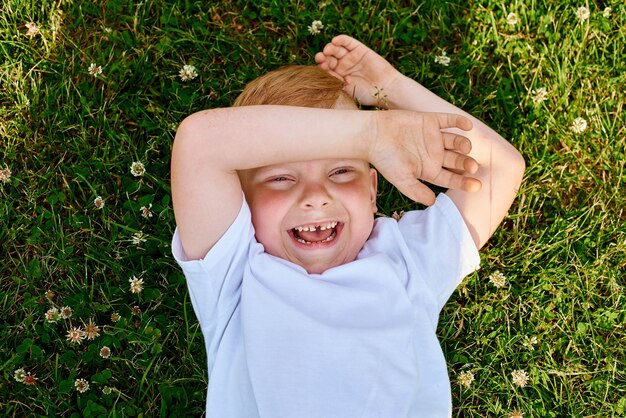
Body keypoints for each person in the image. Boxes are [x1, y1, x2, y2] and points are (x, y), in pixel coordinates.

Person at [170, 35, 524, 417]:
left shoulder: (407, 259)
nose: (316, 195)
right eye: (281, 179)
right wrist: (371, 134)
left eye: (341, 171)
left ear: (373, 191)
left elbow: (499, 169)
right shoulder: (234, 273)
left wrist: (389, 89)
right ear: (241, 201)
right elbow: (200, 143)